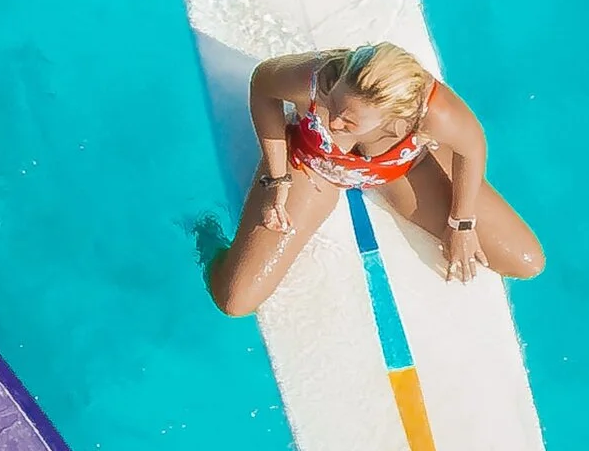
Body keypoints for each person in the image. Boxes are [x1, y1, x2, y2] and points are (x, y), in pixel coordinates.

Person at [206, 43, 544, 319]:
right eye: (332, 105)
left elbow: (471, 146)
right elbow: (262, 85)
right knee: (235, 300)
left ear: (398, 122)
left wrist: (462, 222)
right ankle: (205, 241)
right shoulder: (318, 78)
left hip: (404, 168)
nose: (332, 122)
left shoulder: (432, 116)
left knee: (527, 261)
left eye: (348, 121)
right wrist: (278, 177)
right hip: (313, 163)